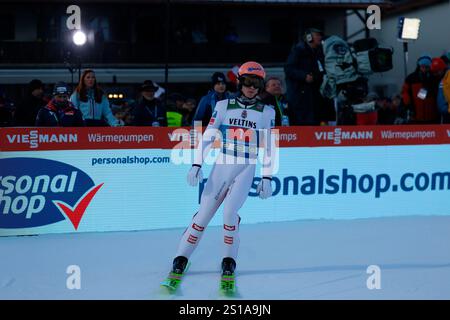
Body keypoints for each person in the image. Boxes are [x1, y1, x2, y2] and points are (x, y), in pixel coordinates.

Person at [166, 61, 276, 283]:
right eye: (247, 82)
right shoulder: (223, 106)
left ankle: (228, 261)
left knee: (229, 215)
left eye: (256, 83)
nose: (251, 87)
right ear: (239, 82)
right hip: (222, 166)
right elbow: (207, 136)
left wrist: (267, 176)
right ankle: (181, 258)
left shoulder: (267, 111)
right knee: (203, 215)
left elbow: (271, 145)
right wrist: (197, 164)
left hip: (246, 167)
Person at [284, 28, 327, 125]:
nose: (320, 38)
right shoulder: (298, 50)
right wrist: (304, 76)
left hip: (313, 97)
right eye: (317, 35)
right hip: (300, 98)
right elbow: (288, 69)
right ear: (309, 37)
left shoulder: (318, 52)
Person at [401, 55, 440, 124]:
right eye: (423, 66)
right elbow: (405, 92)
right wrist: (408, 105)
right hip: (415, 115)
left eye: (427, 67)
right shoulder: (411, 78)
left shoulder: (434, 78)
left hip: (432, 115)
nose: (424, 69)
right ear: (419, 66)